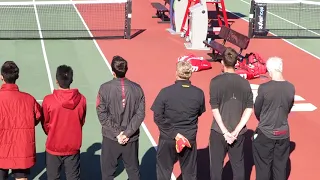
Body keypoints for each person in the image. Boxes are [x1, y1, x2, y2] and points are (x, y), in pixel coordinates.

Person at [151, 61, 206, 180]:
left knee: (164, 171)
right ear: (190, 74)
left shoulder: (165, 92)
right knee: (189, 172)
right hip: (189, 138)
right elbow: (200, 112)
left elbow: (157, 117)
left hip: (168, 138)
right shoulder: (199, 93)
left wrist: (174, 134)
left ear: (177, 73)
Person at [96, 55, 145, 180]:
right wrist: (127, 134)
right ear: (126, 69)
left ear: (113, 72)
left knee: (107, 174)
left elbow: (102, 114)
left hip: (111, 138)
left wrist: (118, 134)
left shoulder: (104, 88)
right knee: (133, 172)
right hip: (131, 138)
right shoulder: (138, 89)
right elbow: (140, 115)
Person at [209, 47, 253, 180]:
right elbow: (249, 108)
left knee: (216, 168)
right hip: (237, 134)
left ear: (222, 62)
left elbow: (215, 108)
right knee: (238, 167)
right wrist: (236, 131)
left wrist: (224, 131)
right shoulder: (245, 83)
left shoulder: (215, 82)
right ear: (236, 63)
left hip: (218, 132)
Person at [41, 65, 87, 180]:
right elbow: (81, 120)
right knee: (73, 177)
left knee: (53, 177)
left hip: (54, 145)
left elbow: (45, 122)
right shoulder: (82, 99)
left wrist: (51, 132)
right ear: (71, 80)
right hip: (72, 145)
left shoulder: (48, 100)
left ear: (56, 80)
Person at [253, 57, 295, 180]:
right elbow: (288, 108)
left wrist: (264, 120)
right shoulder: (291, 87)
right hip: (283, 133)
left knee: (263, 167)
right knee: (280, 168)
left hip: (266, 132)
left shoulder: (264, 88)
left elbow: (257, 110)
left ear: (270, 70)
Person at [0, 61, 42, 180]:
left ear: (1, 77)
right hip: (21, 149)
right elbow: (38, 116)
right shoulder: (29, 99)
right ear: (17, 77)